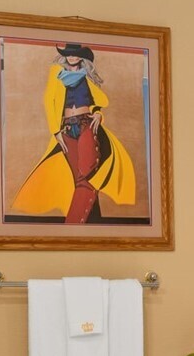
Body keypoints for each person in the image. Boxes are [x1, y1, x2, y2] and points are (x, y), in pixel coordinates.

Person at [9, 43, 137, 224]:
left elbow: (99, 101)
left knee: (87, 175)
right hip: (67, 129)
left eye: (77, 54)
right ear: (65, 55)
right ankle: (91, 224)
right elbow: (48, 100)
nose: (72, 57)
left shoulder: (87, 76)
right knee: (80, 178)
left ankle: (72, 225)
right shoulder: (56, 73)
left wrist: (98, 114)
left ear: (82, 58)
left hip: (86, 125)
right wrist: (55, 131)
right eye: (69, 54)